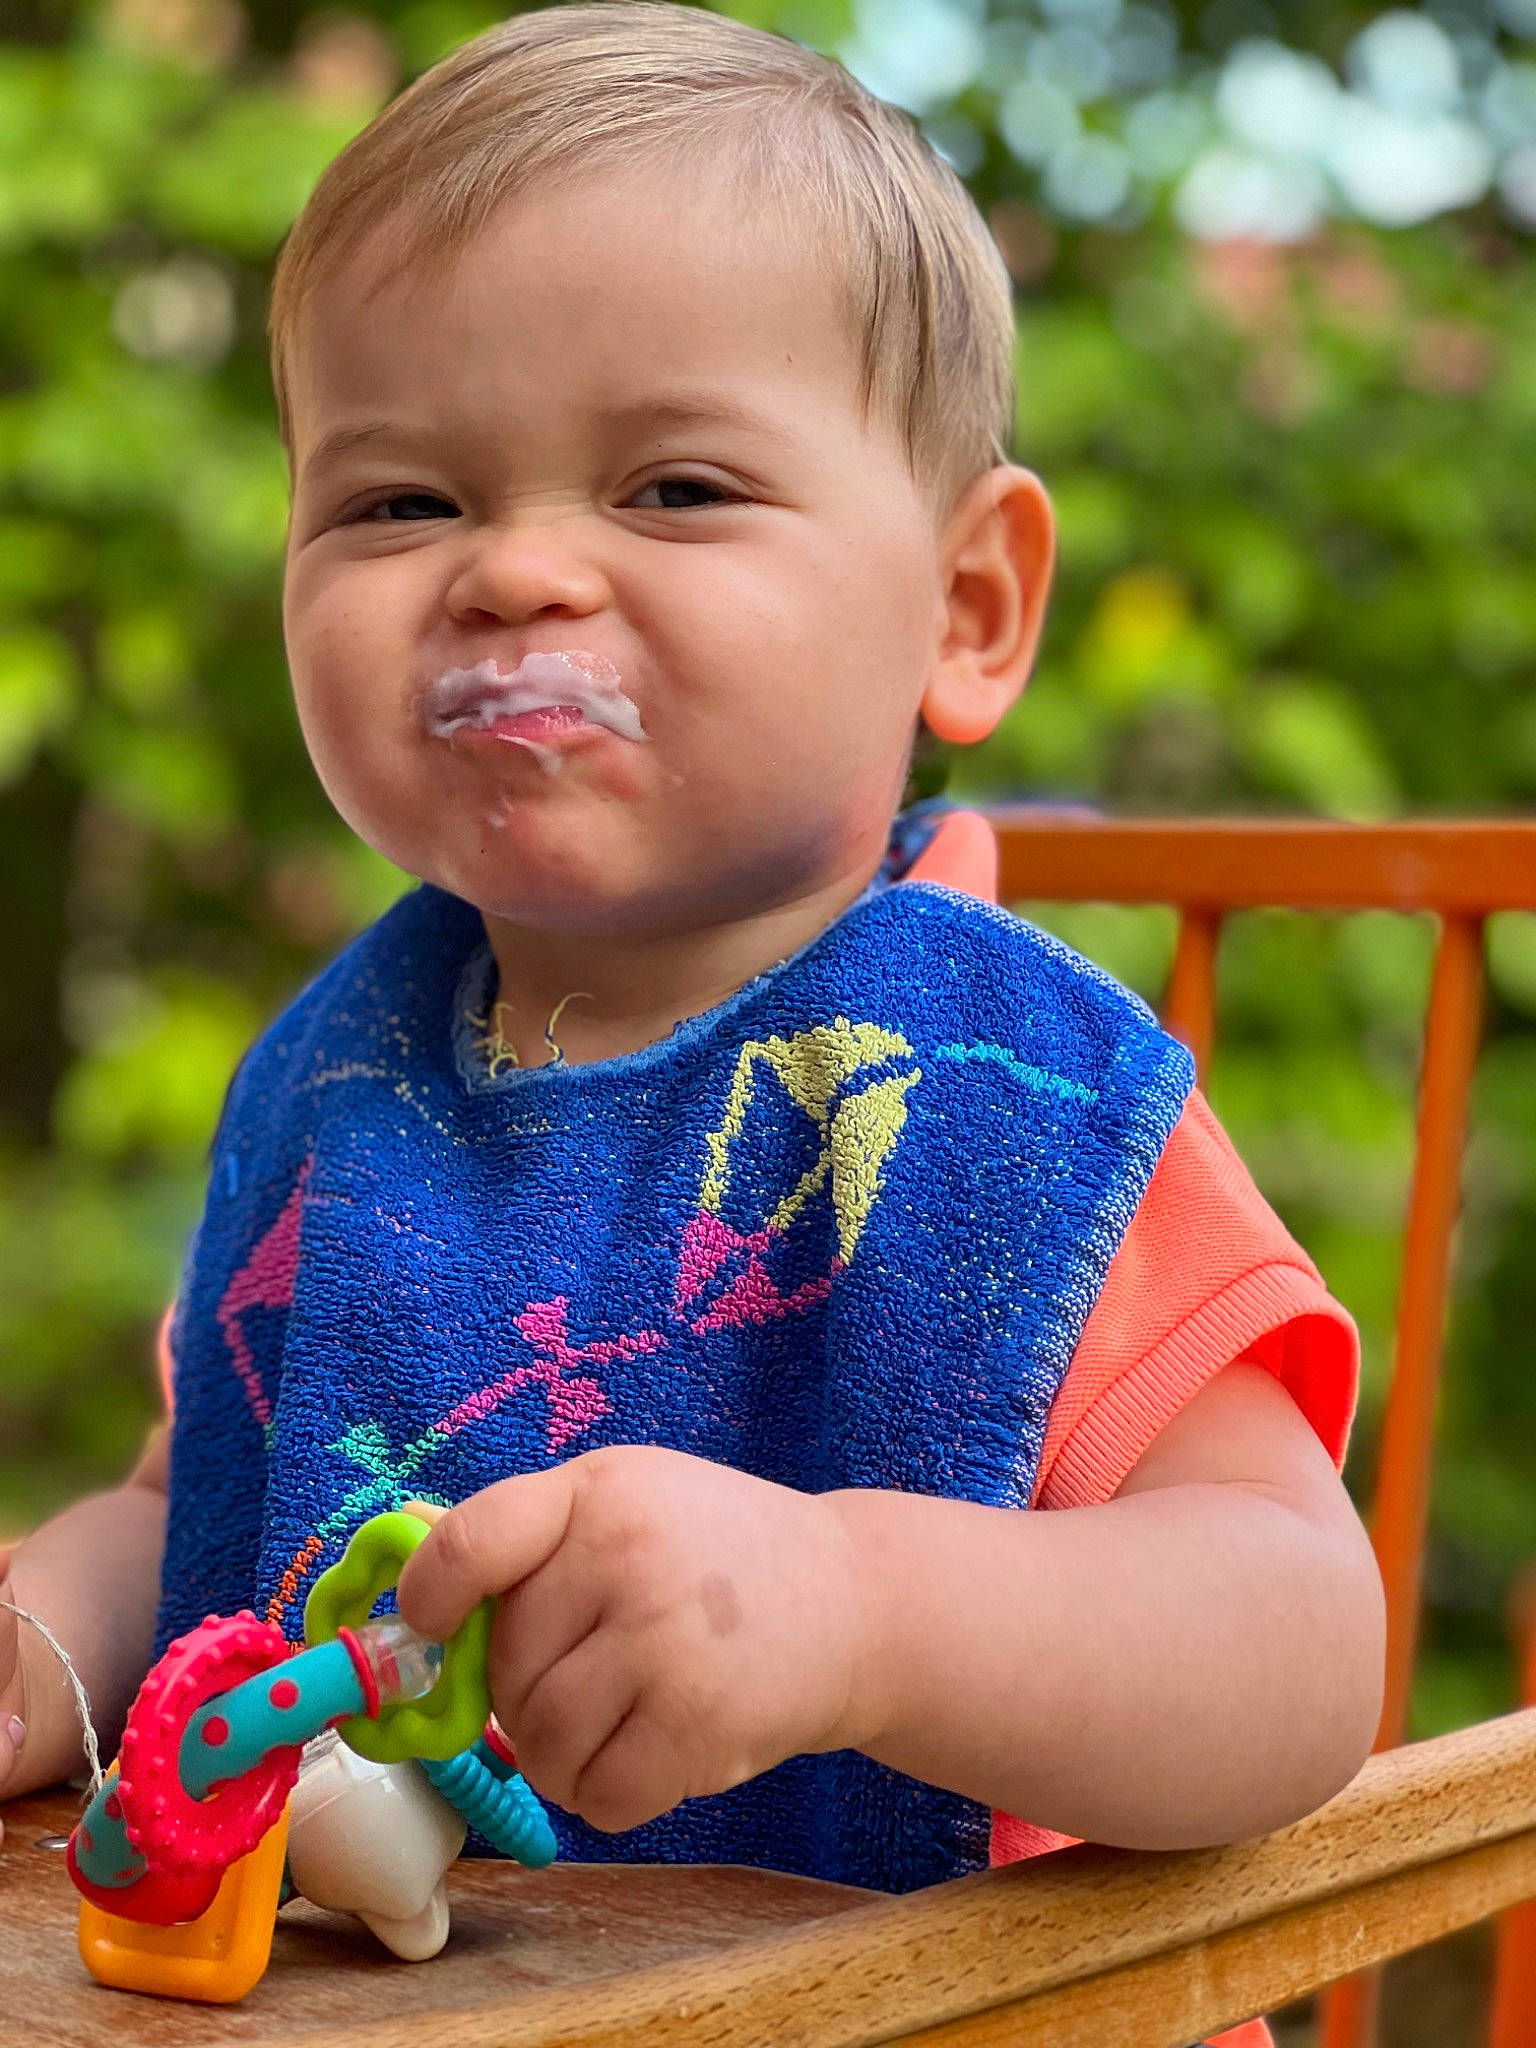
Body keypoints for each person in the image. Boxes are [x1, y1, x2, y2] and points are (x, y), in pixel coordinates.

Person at [0, 9, 1382, 2035]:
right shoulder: (334, 1077)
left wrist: (866, 1613)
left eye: (672, 484)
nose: (514, 572)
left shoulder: (1012, 1099)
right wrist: (49, 1635)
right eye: (399, 503)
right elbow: (193, 1506)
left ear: (966, 609)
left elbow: (1300, 1645)